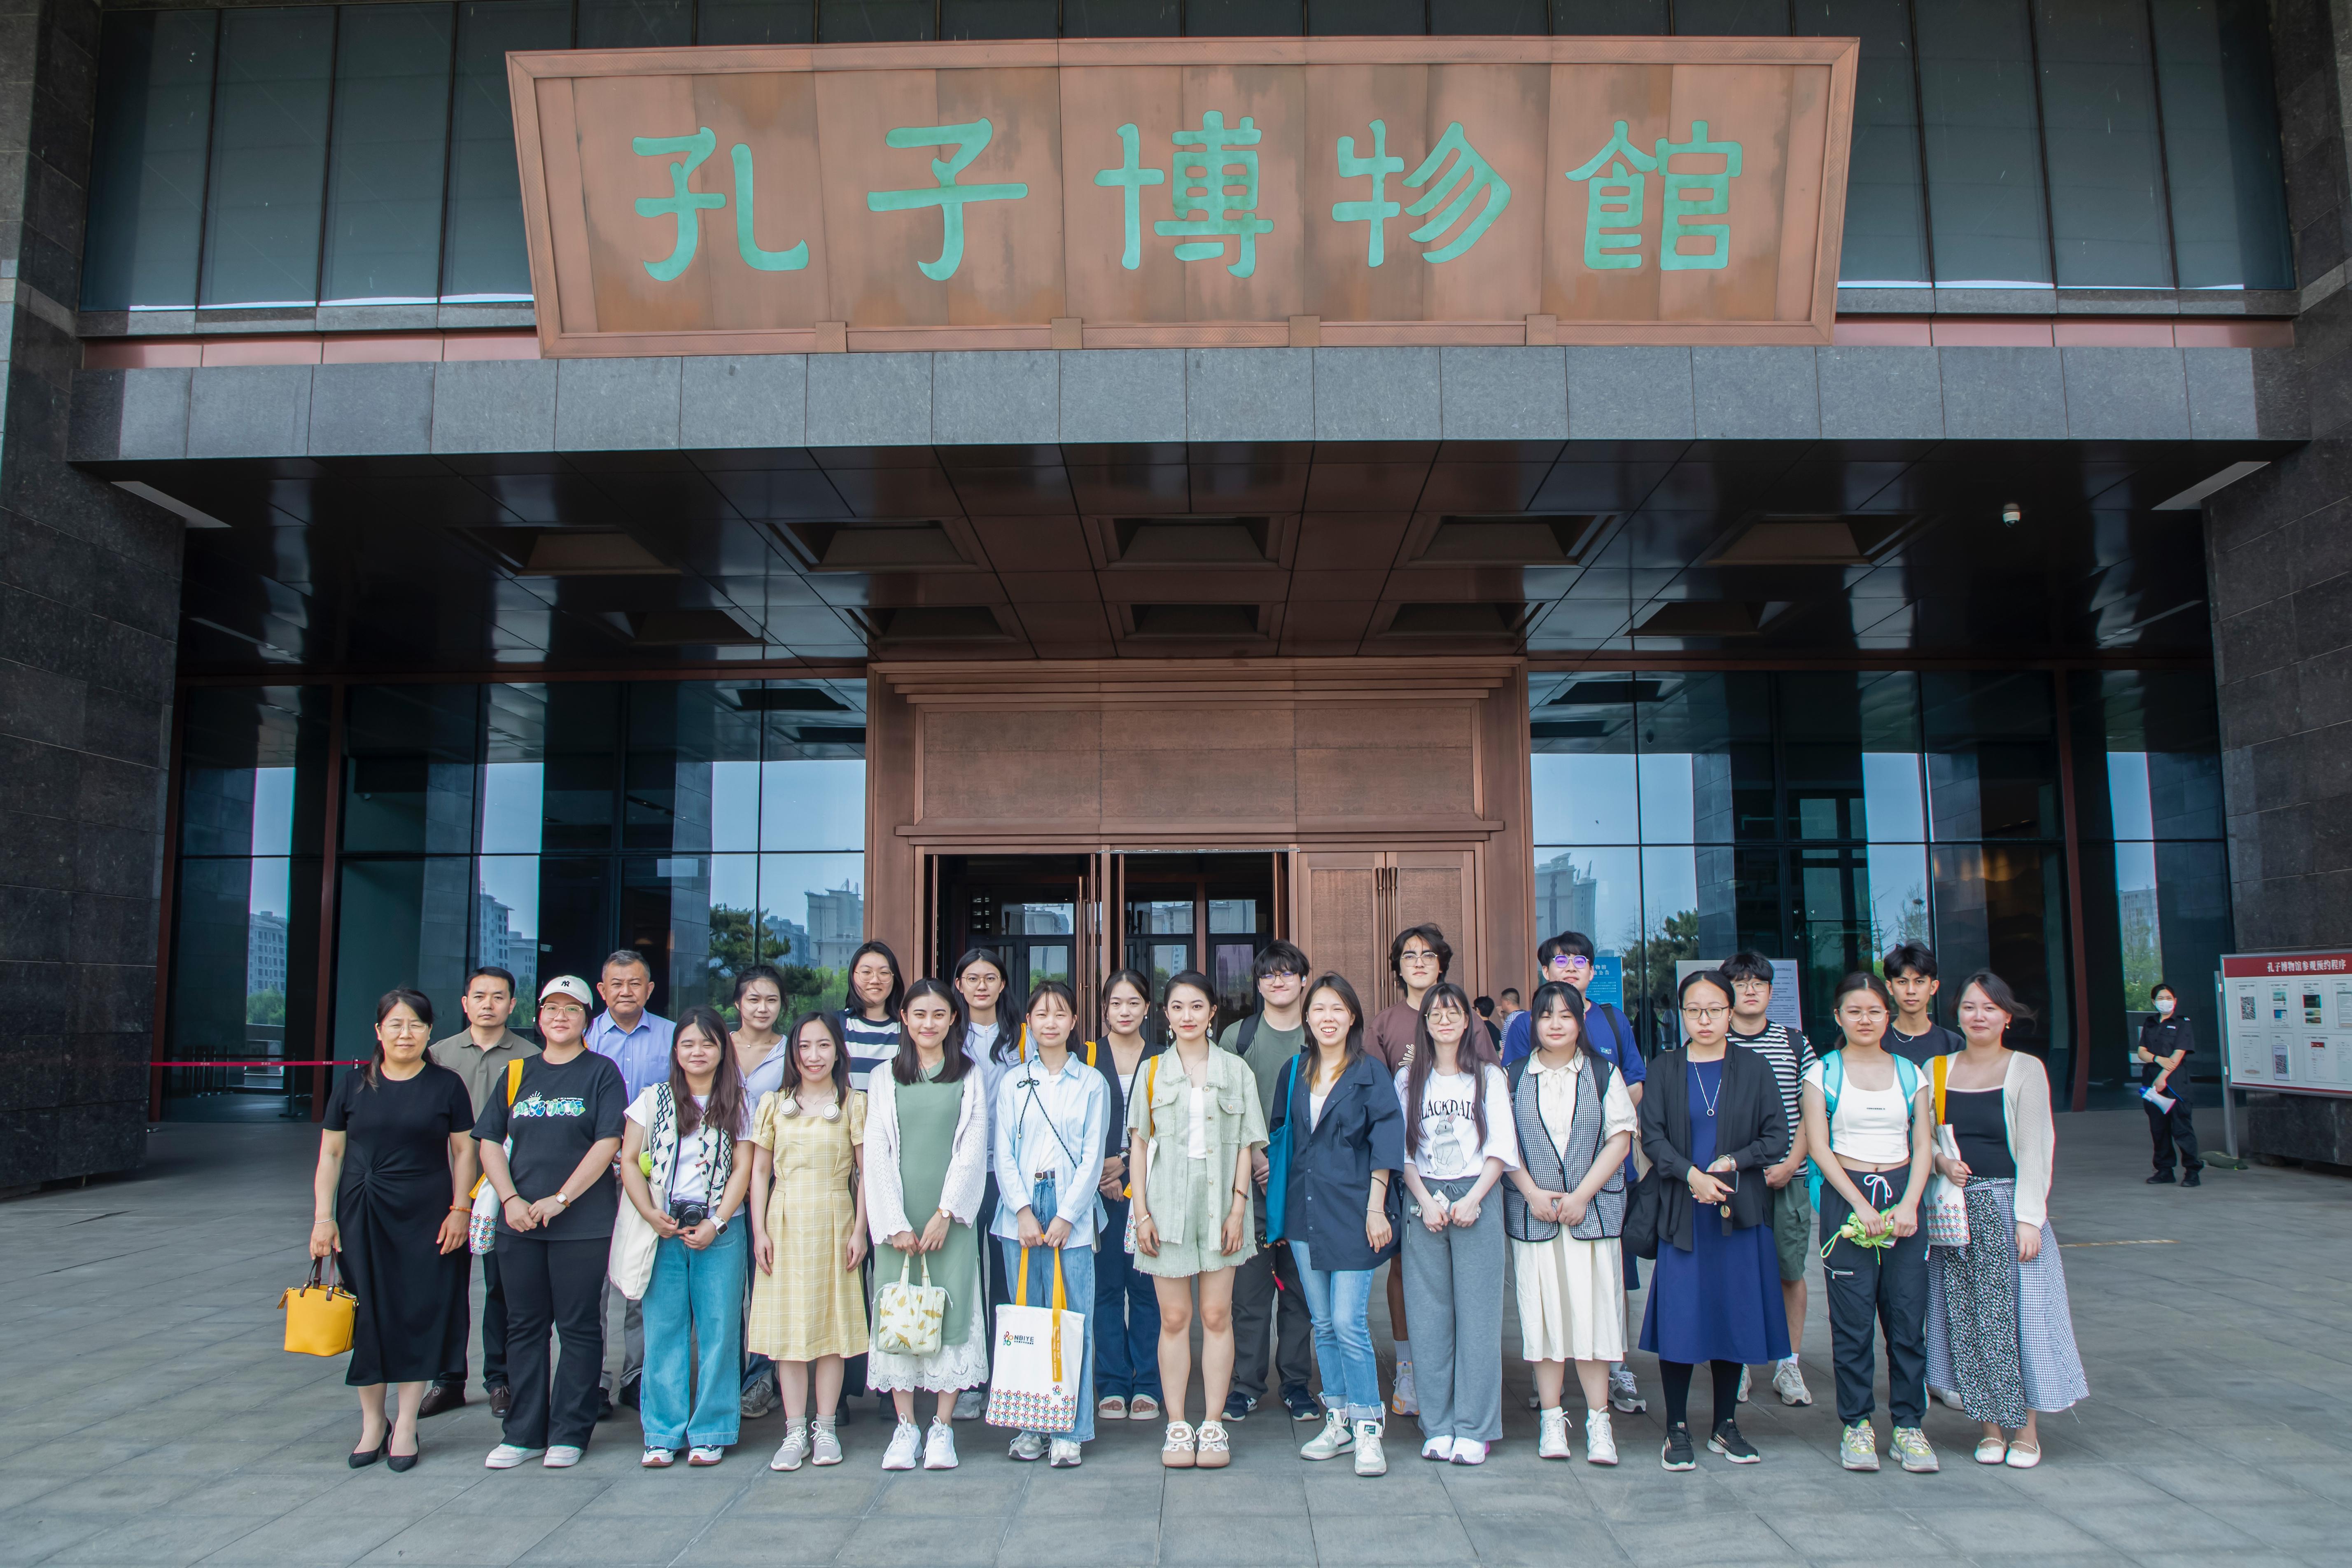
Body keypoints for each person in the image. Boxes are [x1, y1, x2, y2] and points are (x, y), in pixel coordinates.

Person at [1926, 973, 2088, 1469]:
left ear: (2007, 1017)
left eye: (1990, 1008)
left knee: (2023, 1322)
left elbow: (2037, 1147)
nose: (1979, 1016)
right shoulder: (1937, 1069)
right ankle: (1990, 1429)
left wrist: (2030, 1218)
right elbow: (1921, 1137)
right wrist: (1940, 1160)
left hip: (2008, 1207)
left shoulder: (2026, 1069)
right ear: (1957, 1014)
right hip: (1957, 1214)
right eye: (1969, 1007)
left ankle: (2027, 1433)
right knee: (1969, 1321)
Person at [313, 989, 476, 1471]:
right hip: (362, 1212)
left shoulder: (447, 1085)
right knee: (369, 1315)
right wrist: (323, 1217)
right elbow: (331, 1154)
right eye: (396, 1024)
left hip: (428, 1215)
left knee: (415, 1312)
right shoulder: (352, 1085)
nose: (406, 1034)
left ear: (429, 1032)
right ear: (379, 1031)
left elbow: (464, 1151)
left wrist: (461, 1208)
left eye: (416, 1025)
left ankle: (405, 1423)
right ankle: (372, 1422)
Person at [1637, 969, 1789, 1472]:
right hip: (1684, 1212)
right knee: (1681, 1319)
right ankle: (1676, 1428)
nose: (1705, 1019)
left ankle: (1726, 1424)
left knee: (1733, 1316)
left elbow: (1776, 1137)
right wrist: (1692, 1175)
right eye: (1694, 1010)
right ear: (1682, 1014)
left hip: (1739, 1210)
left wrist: (1734, 1161)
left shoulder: (1754, 1067)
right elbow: (1652, 1137)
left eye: (1715, 1009)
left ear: (1730, 1011)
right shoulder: (1665, 1067)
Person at [475, 975, 627, 1470]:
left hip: (582, 1224)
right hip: (519, 1224)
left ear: (587, 1019)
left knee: (578, 1326)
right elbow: (490, 1141)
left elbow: (608, 1141)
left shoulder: (602, 1073)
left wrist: (562, 1198)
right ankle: (523, 1432)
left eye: (572, 1009)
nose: (560, 1016)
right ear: (538, 1016)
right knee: (524, 1326)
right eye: (551, 1008)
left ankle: (570, 1430)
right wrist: (510, 1198)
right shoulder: (518, 1072)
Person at [1499, 930, 1648, 1415]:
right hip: (1535, 1210)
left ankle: (1600, 1418)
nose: (1556, 1023)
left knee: (1598, 1306)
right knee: (1542, 1309)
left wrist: (1582, 1194)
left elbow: (1621, 1132)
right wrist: (1532, 1191)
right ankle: (1552, 1416)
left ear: (1582, 1018)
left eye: (1566, 1015)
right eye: (1547, 1016)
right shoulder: (1515, 1074)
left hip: (1595, 1206)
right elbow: (1505, 1140)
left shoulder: (1604, 1066)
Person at [1129, 969, 1267, 1470]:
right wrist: (1141, 1213)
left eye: (1196, 1006)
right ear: (1166, 1015)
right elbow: (1139, 1147)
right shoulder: (1151, 1071)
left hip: (1221, 1206)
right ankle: (1176, 1423)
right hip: (1165, 1206)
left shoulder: (1236, 1071)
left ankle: (1211, 1424)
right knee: (1173, 1318)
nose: (1187, 1015)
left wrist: (1238, 1208)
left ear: (1212, 1012)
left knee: (1215, 1315)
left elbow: (1246, 1145)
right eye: (1177, 1007)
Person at [1802, 971, 1939, 1475]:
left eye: (1875, 1011)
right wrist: (1859, 1204)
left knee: (1907, 1320)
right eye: (1854, 1011)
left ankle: (1909, 1425)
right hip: (1847, 1200)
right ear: (1838, 1017)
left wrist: (1910, 1204)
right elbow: (1819, 1146)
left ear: (1889, 1016)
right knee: (1853, 1323)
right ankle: (1857, 1424)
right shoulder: (1822, 1072)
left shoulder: (1911, 1073)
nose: (1865, 1019)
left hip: (1904, 1198)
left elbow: (1923, 1143)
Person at [1270, 972, 1402, 1478]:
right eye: (1319, 1009)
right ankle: (1339, 1419)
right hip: (1305, 1211)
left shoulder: (1371, 1073)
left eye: (1337, 1009)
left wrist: (1376, 1207)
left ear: (1352, 1017)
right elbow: (1283, 1134)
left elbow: (1387, 1140)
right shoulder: (1294, 1071)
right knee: (1322, 1322)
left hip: (1354, 1212)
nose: (1328, 1018)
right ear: (1307, 1018)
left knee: (1348, 1322)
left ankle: (1369, 1425)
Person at [620, 1007, 755, 1468]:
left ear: (723, 1049)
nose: (698, 1052)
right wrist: (650, 1214)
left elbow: (743, 1167)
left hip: (721, 1228)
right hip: (664, 1225)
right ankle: (661, 1433)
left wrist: (718, 1221)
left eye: (708, 1043)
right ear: (675, 1050)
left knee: (720, 1330)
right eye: (688, 1044)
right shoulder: (652, 1099)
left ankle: (712, 1430)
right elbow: (628, 1160)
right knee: (664, 1330)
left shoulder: (739, 1101)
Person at [864, 979, 989, 1472]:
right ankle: (905, 1428)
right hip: (897, 1219)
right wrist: (895, 1223)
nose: (929, 1023)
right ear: (904, 1017)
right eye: (919, 1014)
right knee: (898, 1314)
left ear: (953, 1019)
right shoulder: (883, 1076)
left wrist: (946, 1213)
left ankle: (941, 1427)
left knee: (951, 1313)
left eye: (939, 1014)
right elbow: (876, 1151)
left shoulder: (969, 1074)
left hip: (949, 1221)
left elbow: (973, 1148)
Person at [1394, 982, 1516, 1465]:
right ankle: (1438, 1424)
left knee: (1479, 1317)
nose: (1444, 1020)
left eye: (1453, 1012)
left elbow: (1501, 1146)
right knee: (1428, 1318)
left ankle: (1474, 1427)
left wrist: (1474, 1198)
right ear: (1424, 1023)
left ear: (1469, 1021)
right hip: (1424, 1197)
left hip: (1477, 1195)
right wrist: (1424, 1200)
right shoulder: (1408, 1079)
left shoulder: (1489, 1076)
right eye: (1435, 1013)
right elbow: (1402, 1151)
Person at [992, 980, 1111, 1466]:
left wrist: (1066, 1215)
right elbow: (1002, 1152)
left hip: (1071, 1210)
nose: (1050, 1022)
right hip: (1019, 1211)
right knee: (1029, 1318)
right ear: (1029, 1023)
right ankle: (1031, 1425)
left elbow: (1093, 1155)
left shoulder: (1092, 1083)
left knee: (1073, 1319)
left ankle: (1071, 1429)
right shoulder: (1013, 1082)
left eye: (1060, 1013)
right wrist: (1021, 1209)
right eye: (1041, 1014)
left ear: (1074, 1021)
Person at [1365, 923, 1482, 1418]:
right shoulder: (1384, 1024)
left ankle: (1459, 1370)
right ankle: (1410, 1366)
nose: (1418, 961)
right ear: (1398, 966)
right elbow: (1373, 1095)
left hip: (1463, 1171)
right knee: (1404, 1267)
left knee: (1461, 1273)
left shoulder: (1466, 1017)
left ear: (1441, 965)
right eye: (1409, 955)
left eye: (1428, 954)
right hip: (1404, 1167)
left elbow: (1488, 1083)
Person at [748, 1011, 869, 1472]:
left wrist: (860, 1230)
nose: (813, 1056)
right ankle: (794, 1430)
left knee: (831, 1329)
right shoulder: (773, 1103)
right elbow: (760, 1170)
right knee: (789, 1331)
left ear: (838, 1050)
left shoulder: (854, 1103)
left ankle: (826, 1427)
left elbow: (866, 1173)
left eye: (823, 1045)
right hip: (784, 1219)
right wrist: (759, 1230)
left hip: (835, 1217)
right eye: (804, 1046)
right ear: (792, 1053)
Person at [425, 966, 537, 1421]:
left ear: (513, 1005)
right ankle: (447, 1378)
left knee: (502, 1289)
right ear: (465, 1003)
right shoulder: (438, 1055)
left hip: (503, 1188)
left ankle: (500, 1379)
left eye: (498, 997)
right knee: (445, 1287)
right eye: (479, 996)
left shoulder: (532, 1056)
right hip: (447, 1187)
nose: (488, 1004)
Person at [1220, 940, 1319, 1425]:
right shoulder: (1238, 1037)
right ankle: (1246, 1384)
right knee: (1250, 1295)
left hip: (1305, 1188)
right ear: (1257, 984)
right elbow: (1223, 1107)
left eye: (1287, 973)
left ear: (1304, 979)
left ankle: (1297, 1383)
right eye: (1268, 975)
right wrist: (1256, 1155)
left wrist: (1285, 1163)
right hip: (1249, 1185)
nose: (1278, 982)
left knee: (1301, 1293)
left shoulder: (1321, 1035)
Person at [1721, 951, 1818, 1410]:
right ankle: (1738, 1362)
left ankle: (1789, 1362)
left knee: (1789, 1271)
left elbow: (1812, 1114)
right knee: (1736, 1273)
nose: (1750, 990)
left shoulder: (1795, 1044)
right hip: (1733, 1182)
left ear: (1771, 991)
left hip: (1787, 1178)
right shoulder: (1713, 1042)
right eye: (1740, 983)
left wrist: (1791, 1163)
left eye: (1758, 983)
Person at [587, 950, 675, 1414]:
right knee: (594, 1281)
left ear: (650, 989)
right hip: (591, 1175)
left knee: (643, 1274)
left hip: (650, 1175)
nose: (626, 991)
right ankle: (594, 1379)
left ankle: (636, 1375)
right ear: (602, 990)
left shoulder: (673, 1036)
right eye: (617, 984)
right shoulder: (583, 1036)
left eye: (635, 983)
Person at [1091, 969, 1165, 1423]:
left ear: (1147, 1008)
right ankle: (1113, 1382)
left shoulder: (1162, 1058)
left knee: (1145, 1288)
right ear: (1105, 1009)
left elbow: (1170, 1128)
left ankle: (1148, 1383)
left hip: (1147, 1192)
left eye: (1134, 1002)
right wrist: (1101, 1171)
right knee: (1104, 1289)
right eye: (1116, 1003)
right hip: (1094, 1192)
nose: (1124, 1011)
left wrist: (1123, 1162)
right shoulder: (1085, 1055)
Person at [956, 945, 1020, 1422]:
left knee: (1006, 1279)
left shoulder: (1022, 1036)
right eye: (973, 978)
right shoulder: (946, 1033)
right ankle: (966, 1380)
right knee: (962, 1277)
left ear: (1002, 984)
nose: (981, 985)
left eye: (990, 977)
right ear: (959, 985)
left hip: (1007, 1174)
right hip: (959, 1173)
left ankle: (1005, 1378)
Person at [728, 963, 790, 1419]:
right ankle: (724, 1377)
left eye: (771, 1000)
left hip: (773, 1178)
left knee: (765, 1279)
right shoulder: (717, 1045)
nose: (762, 1008)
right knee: (727, 1287)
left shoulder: (791, 1051)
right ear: (738, 1003)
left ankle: (761, 1378)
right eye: (753, 999)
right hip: (719, 1178)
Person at [2137, 982, 2202, 1187]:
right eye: (2160, 999)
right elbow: (2141, 1052)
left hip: (2175, 1083)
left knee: (2182, 1129)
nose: (2165, 1002)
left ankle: (2192, 1172)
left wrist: (2163, 1077)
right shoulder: (2150, 1023)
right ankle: (2164, 1170)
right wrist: (2157, 1059)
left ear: (2175, 1001)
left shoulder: (2183, 1023)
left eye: (2168, 998)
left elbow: (2178, 1054)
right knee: (2158, 1129)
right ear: (2153, 1002)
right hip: (2151, 1082)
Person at [1883, 943, 1965, 1065]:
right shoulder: (1878, 1042)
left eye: (1919, 982)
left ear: (1933, 987)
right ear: (1890, 987)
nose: (1911, 991)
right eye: (1902, 982)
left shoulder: (1953, 1044)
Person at [840, 941, 906, 1091]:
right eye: (866, 972)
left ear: (894, 978)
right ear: (853, 976)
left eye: (884, 973)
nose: (875, 980)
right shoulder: (836, 1025)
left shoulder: (907, 1029)